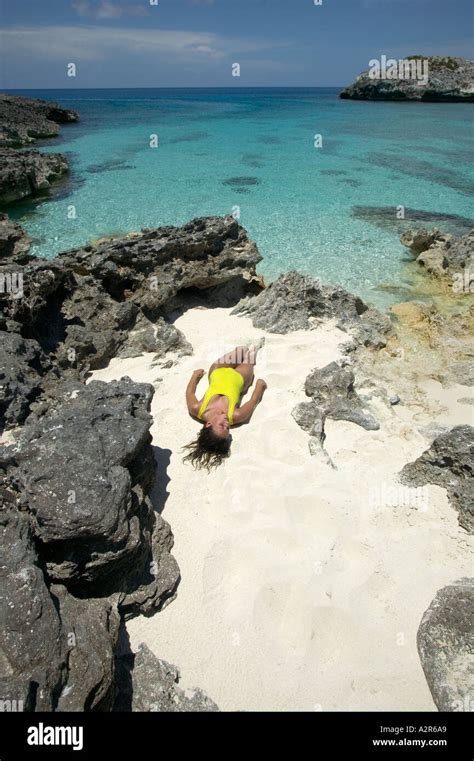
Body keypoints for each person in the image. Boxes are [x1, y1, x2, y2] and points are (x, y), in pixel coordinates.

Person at [183, 343, 267, 471]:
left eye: (222, 425)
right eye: (228, 428)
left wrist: (195, 376)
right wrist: (260, 387)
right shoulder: (236, 416)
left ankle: (243, 350)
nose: (227, 424)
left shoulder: (197, 408)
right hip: (240, 378)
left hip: (217, 370)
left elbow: (190, 393)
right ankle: (256, 348)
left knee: (241, 350)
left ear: (209, 424)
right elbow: (253, 401)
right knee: (250, 356)